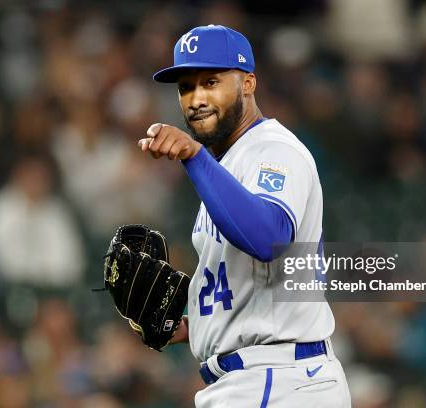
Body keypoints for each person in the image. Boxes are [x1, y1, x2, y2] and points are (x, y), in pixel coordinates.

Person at [139, 24, 351, 407]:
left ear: (248, 83)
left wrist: (193, 156)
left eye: (211, 81)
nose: (196, 98)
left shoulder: (275, 150)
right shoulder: (227, 166)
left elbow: (268, 237)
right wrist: (192, 327)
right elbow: (256, 281)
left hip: (281, 380)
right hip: (256, 379)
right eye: (186, 87)